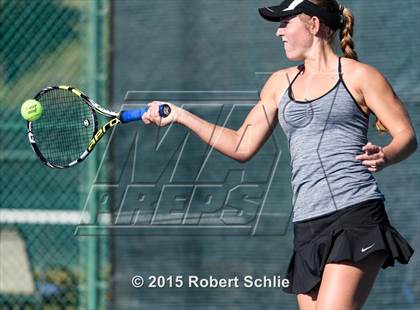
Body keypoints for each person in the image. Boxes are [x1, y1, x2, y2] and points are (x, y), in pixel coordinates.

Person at [141, 0, 417, 309]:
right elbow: (240, 145)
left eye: (285, 22)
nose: (278, 32)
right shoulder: (279, 84)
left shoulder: (360, 76)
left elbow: (406, 135)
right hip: (308, 224)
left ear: (313, 24)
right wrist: (180, 115)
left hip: (356, 214)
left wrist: (388, 154)